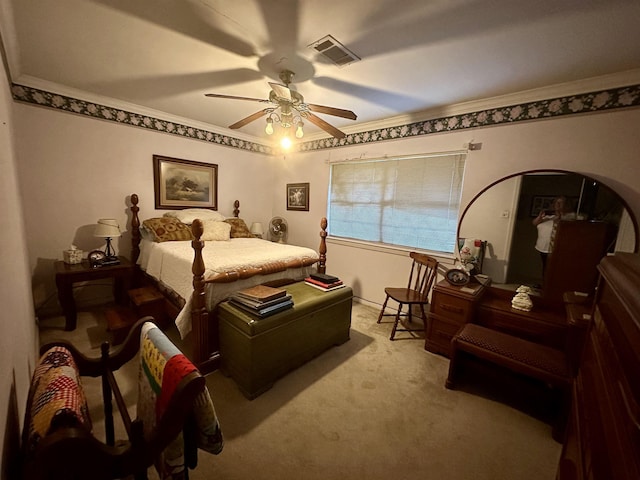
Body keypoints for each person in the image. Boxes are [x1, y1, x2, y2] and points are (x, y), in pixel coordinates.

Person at [533, 195, 574, 274]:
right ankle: (545, 284)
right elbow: (534, 223)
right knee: (545, 267)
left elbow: (564, 225)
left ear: (566, 205)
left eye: (560, 203)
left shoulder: (570, 217)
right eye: (556, 202)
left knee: (556, 269)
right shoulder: (548, 217)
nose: (558, 205)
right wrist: (540, 216)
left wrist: (560, 215)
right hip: (543, 248)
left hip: (558, 249)